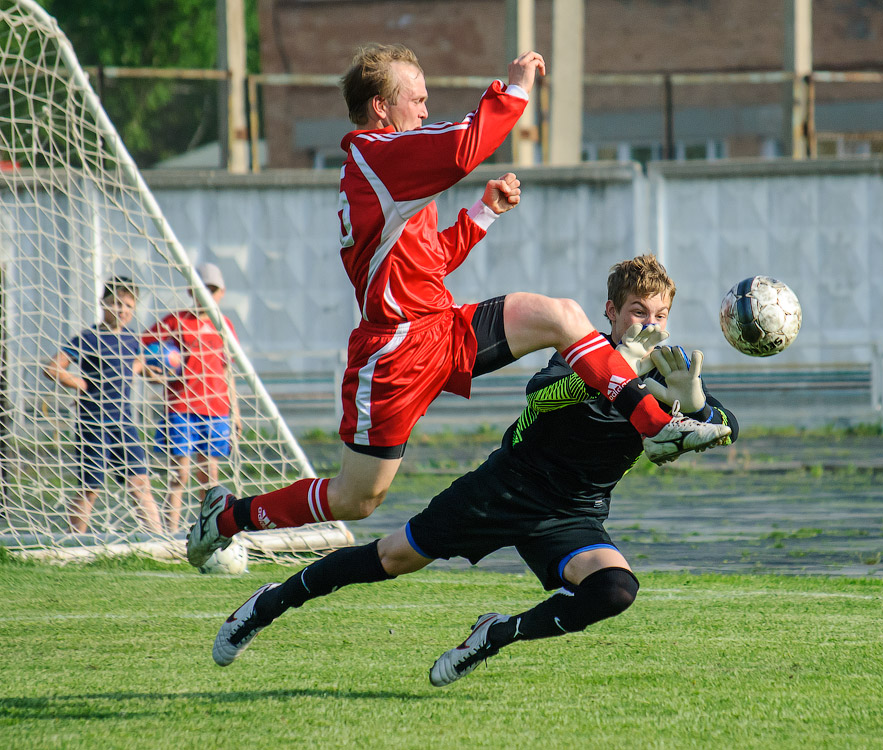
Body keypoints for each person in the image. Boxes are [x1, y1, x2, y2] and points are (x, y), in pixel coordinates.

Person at [185, 44, 729, 567]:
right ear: (381, 107)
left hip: (440, 328)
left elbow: (428, 260)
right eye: (416, 99)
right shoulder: (380, 155)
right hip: (394, 353)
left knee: (562, 316)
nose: (425, 109)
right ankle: (226, 519)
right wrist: (514, 89)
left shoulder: (385, 173)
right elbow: (463, 145)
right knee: (358, 499)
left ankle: (654, 422)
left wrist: (484, 212)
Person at [210, 255, 738, 687]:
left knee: (616, 589)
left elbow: (727, 423)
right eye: (638, 311)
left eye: (660, 314)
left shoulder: (668, 373)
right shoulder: (586, 353)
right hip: (503, 490)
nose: (651, 324)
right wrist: (618, 366)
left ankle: (495, 634)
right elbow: (543, 394)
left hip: (572, 515)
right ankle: (267, 603)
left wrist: (694, 401)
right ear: (612, 312)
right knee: (391, 557)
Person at [43, 276, 163, 534]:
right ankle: (73, 542)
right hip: (94, 423)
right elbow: (54, 368)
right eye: (116, 303)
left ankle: (159, 539)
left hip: (124, 422)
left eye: (128, 305)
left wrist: (152, 372)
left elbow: (133, 365)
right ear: (103, 303)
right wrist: (81, 384)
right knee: (90, 488)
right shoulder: (88, 338)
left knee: (140, 483)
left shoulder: (132, 339)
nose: (122, 310)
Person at [142, 262, 237, 534]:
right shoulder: (175, 321)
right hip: (182, 407)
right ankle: (171, 533)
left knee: (209, 477)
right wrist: (153, 372)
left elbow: (228, 370)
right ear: (191, 291)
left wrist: (235, 413)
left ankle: (207, 531)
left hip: (217, 408)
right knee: (179, 475)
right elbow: (141, 347)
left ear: (222, 293)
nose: (207, 294)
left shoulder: (224, 324)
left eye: (212, 289)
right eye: (201, 289)